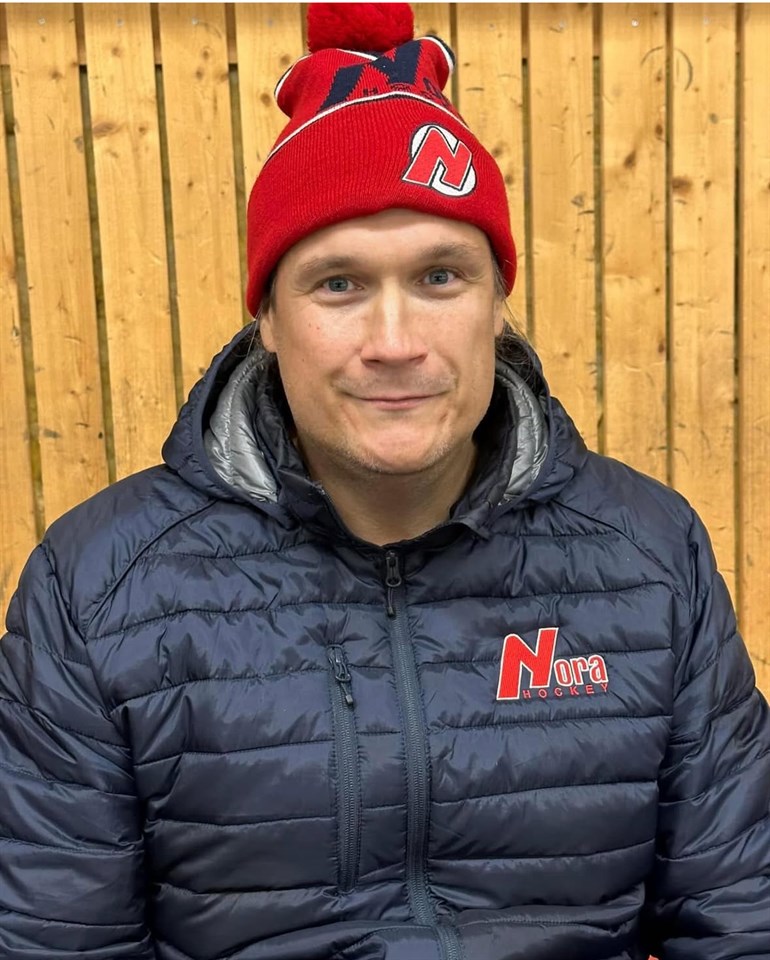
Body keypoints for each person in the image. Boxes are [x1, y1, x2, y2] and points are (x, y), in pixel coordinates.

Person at [1, 4, 768, 958]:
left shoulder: (650, 556)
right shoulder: (97, 586)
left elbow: (742, 913)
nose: (395, 342)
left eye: (440, 277)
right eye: (339, 284)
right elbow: (53, 939)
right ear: (267, 318)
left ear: (497, 303)